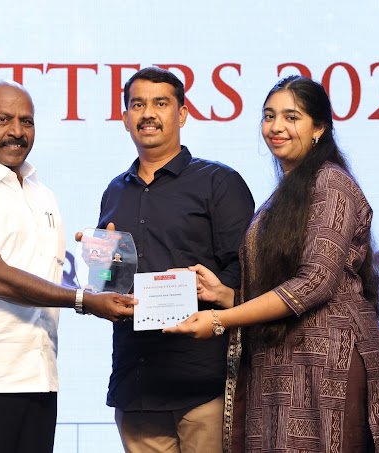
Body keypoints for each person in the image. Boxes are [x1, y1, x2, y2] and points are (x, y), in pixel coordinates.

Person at [165, 75, 379, 452]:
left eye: (292, 117)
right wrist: (227, 295)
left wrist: (222, 319)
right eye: (269, 116)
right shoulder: (285, 193)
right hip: (282, 361)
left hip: (327, 365)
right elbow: (285, 281)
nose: (276, 127)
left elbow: (315, 282)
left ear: (319, 127)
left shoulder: (331, 183)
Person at [0, 80, 134, 453]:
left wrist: (108, 262)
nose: (17, 132)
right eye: (3, 120)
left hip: (40, 375)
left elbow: (40, 275)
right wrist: (84, 301)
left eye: (26, 121)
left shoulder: (44, 194)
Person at [91, 67, 254, 453]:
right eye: (138, 104)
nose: (148, 113)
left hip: (202, 384)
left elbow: (249, 271)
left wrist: (215, 289)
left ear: (181, 114)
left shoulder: (218, 182)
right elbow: (109, 283)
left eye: (160, 103)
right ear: (125, 118)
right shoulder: (115, 191)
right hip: (137, 384)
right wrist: (102, 268)